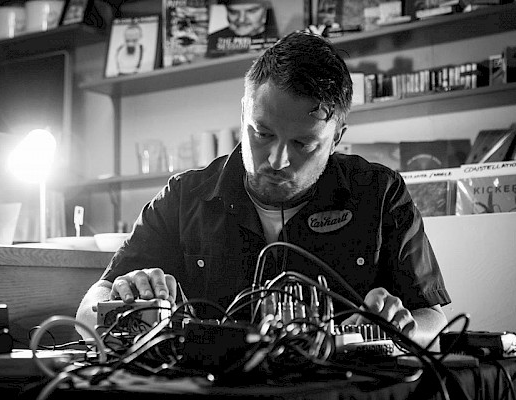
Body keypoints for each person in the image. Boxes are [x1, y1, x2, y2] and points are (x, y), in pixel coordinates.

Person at [76, 31, 451, 348]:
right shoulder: (183, 197)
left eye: (303, 144)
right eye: (262, 133)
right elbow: (88, 310)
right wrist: (119, 299)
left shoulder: (380, 192)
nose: (277, 160)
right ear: (243, 114)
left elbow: (432, 318)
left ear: (337, 137)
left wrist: (402, 328)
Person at [206, 0, 277, 57]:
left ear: (265, 11)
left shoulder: (280, 37)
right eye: (234, 12)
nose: (241, 19)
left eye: (251, 11)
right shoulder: (213, 39)